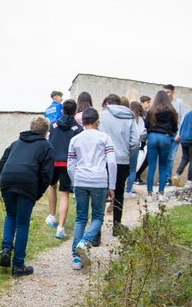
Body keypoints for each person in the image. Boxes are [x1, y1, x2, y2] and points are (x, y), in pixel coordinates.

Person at [0, 116, 54, 276]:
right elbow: (46, 175)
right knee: (22, 223)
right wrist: (36, 194)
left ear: (31, 128)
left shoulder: (16, 143)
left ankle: (6, 248)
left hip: (7, 180)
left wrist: (7, 179)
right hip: (27, 182)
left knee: (10, 215)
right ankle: (18, 265)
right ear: (46, 132)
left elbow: (2, 164)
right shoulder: (46, 147)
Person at [67, 108, 116, 270]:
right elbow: (112, 163)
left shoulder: (75, 139)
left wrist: (75, 182)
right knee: (98, 217)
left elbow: (70, 166)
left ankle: (76, 259)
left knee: (80, 218)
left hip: (80, 180)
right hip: (99, 181)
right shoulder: (104, 138)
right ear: (97, 121)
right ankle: (85, 242)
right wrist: (112, 185)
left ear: (83, 122)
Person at [98, 94, 139, 235]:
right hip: (122, 160)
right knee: (119, 192)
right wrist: (126, 152)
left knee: (101, 193)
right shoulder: (129, 117)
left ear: (107, 103)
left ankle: (96, 232)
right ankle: (117, 226)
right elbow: (136, 141)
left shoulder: (101, 116)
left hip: (103, 160)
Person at [45, 99, 83, 238]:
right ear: (75, 112)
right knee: (65, 194)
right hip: (68, 164)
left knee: (52, 187)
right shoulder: (78, 129)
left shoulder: (53, 125)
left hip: (53, 163)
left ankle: (53, 216)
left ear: (62, 110)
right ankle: (60, 228)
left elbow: (48, 142)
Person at [145, 90, 178, 202]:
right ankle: (161, 194)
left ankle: (149, 195)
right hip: (165, 137)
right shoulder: (172, 111)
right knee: (163, 167)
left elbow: (146, 125)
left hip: (153, 137)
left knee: (152, 166)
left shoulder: (152, 110)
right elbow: (174, 128)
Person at [162, 84, 186, 183]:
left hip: (175, 133)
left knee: (171, 158)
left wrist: (179, 133)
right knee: (164, 157)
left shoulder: (179, 102)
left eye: (168, 92)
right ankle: (162, 179)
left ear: (173, 92)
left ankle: (167, 179)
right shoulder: (162, 102)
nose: (166, 94)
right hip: (165, 133)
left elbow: (183, 118)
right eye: (164, 92)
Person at [125, 100, 146, 197]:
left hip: (125, 146)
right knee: (132, 169)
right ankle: (128, 190)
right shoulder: (140, 120)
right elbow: (142, 134)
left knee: (124, 168)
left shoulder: (126, 118)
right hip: (135, 146)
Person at [133, 95, 152, 184]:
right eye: (147, 102)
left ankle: (136, 176)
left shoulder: (145, 114)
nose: (149, 104)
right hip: (140, 143)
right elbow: (142, 132)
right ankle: (135, 177)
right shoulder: (140, 117)